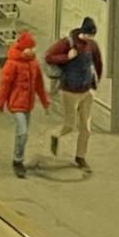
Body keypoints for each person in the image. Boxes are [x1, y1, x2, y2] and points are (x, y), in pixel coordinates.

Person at [45, 17, 104, 169]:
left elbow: (98, 62)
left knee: (85, 128)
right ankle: (55, 135)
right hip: (70, 91)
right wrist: (67, 57)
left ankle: (80, 157)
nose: (90, 38)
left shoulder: (92, 46)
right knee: (70, 125)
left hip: (87, 91)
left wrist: (95, 82)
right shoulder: (67, 43)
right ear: (82, 32)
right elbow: (49, 57)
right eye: (88, 34)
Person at [0, 30, 49, 176]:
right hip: (16, 104)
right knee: (23, 132)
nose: (33, 50)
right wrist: (0, 103)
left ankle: (18, 158)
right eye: (30, 48)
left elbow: (39, 85)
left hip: (28, 105)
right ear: (23, 49)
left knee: (22, 133)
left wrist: (45, 101)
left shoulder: (33, 64)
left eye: (33, 48)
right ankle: (18, 160)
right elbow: (4, 84)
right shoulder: (12, 64)